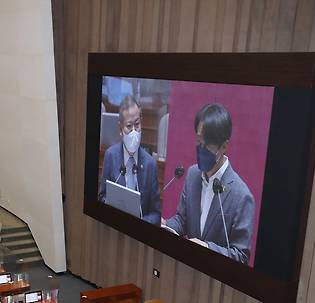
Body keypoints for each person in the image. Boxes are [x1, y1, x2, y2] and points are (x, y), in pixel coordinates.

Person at [164, 103, 255, 264]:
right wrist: (166, 227)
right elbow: (182, 220)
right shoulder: (192, 175)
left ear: (224, 146)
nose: (201, 149)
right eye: (199, 141)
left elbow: (241, 257)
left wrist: (206, 248)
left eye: (207, 145)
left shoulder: (241, 196)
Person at [98, 95, 160, 225]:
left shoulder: (150, 164)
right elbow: (102, 197)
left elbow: (156, 214)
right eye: (129, 126)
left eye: (137, 125)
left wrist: (140, 223)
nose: (134, 131)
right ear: (120, 129)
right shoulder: (111, 156)